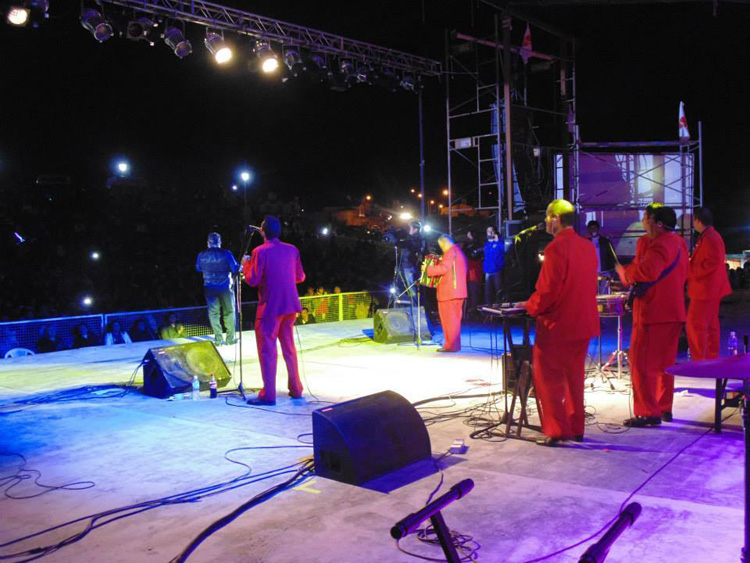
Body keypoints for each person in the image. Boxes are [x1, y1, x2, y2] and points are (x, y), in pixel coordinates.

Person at [522, 199, 599, 446]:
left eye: (547, 217)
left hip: (558, 325)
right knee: (574, 378)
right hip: (583, 323)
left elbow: (548, 291)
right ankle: (576, 428)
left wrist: (530, 306)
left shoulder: (556, 248)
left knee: (549, 379)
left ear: (555, 219)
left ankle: (556, 430)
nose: (545, 222)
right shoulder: (587, 247)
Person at [616, 205, 688, 426]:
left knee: (643, 364)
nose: (643, 221)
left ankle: (648, 412)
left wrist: (625, 273)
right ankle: (664, 407)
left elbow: (648, 271)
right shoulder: (678, 243)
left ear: (657, 222)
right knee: (665, 364)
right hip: (672, 311)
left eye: (646, 218)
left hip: (654, 312)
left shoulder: (660, 245)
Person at [242, 216, 306, 406]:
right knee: (289, 348)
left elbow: (252, 280)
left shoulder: (259, 251)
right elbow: (300, 277)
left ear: (262, 232)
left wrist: (246, 264)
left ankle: (268, 395)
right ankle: (296, 389)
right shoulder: (292, 249)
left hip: (270, 307)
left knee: (268, 351)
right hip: (290, 306)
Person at [686, 208, 732, 360]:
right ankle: (709, 357)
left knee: (696, 325)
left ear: (698, 221)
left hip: (705, 289)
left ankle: (700, 359)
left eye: (693, 220)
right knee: (709, 325)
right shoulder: (709, 236)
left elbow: (712, 262)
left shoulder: (710, 237)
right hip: (708, 288)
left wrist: (690, 270)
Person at [424, 234, 467, 352]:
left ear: (444, 243)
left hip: (449, 292)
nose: (441, 248)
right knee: (454, 320)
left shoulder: (450, 252)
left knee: (449, 320)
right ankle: (454, 345)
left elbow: (443, 268)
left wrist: (427, 269)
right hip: (458, 291)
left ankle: (451, 345)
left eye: (441, 246)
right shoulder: (458, 251)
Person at [196, 232, 240, 346]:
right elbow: (235, 268)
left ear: (208, 243)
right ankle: (230, 339)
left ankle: (218, 340)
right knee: (229, 312)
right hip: (225, 287)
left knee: (214, 314)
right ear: (219, 242)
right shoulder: (226, 253)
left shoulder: (201, 254)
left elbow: (198, 268)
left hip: (209, 288)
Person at [396, 221, 425, 305]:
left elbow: (401, 244)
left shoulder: (415, 239)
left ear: (415, 229)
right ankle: (410, 304)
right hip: (406, 265)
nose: (409, 230)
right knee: (406, 286)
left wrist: (395, 239)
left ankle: (416, 307)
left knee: (411, 287)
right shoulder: (413, 239)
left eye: (410, 228)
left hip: (409, 266)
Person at [483, 225, 505, 304]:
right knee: (488, 291)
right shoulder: (486, 245)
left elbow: (503, 250)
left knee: (498, 290)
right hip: (488, 271)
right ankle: (488, 307)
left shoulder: (500, 242)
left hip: (497, 270)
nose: (490, 233)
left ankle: (500, 305)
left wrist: (497, 241)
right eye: (488, 231)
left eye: (491, 231)